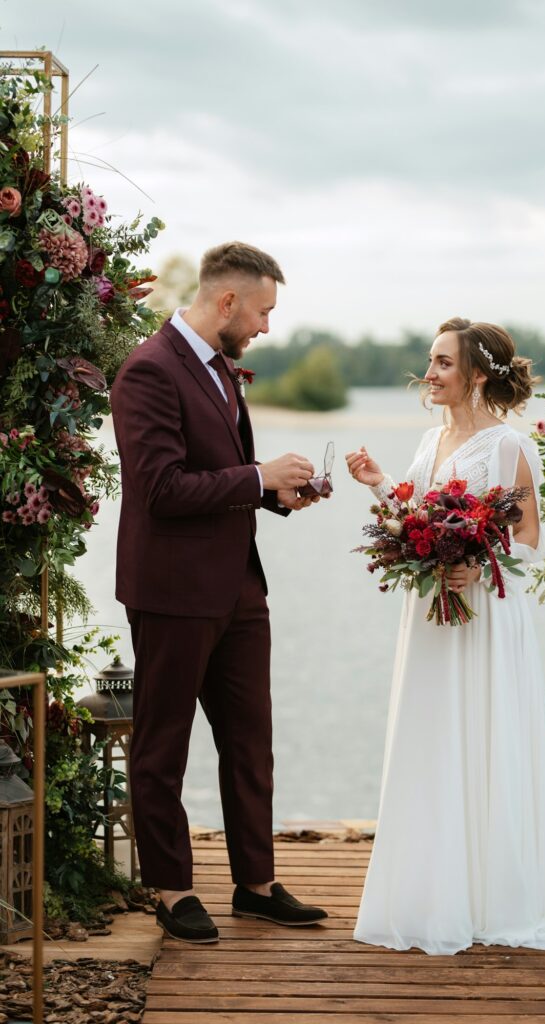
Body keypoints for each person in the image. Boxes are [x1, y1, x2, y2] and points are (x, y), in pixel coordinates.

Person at [345, 317, 545, 958]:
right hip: (430, 615)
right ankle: (429, 890)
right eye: (432, 361)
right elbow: (414, 517)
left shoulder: (508, 447)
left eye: (444, 363)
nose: (431, 373)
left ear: (475, 374)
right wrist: (379, 484)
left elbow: (527, 538)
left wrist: (478, 562)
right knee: (432, 735)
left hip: (484, 613)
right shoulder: (429, 440)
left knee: (483, 733)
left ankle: (491, 894)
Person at [111, 241, 328, 944]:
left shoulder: (217, 369)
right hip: (172, 592)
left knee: (250, 739)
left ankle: (255, 886)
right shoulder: (147, 371)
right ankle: (172, 891)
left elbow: (224, 473)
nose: (265, 326)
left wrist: (275, 496)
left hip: (238, 588)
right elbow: (162, 489)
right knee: (162, 744)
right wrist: (257, 477)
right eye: (262, 311)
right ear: (227, 302)